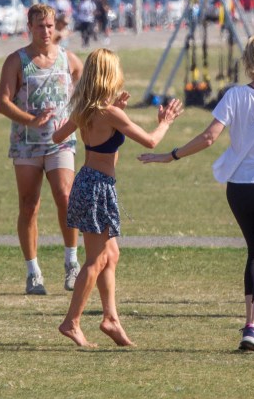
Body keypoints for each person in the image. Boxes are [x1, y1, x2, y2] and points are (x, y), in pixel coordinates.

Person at [139, 33, 254, 354]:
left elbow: (209, 138)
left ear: (249, 61)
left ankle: (249, 324)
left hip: (239, 186)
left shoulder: (234, 96)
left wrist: (171, 155)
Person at [52, 49, 183, 347]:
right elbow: (151, 140)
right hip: (97, 188)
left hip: (89, 182)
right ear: (110, 75)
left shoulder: (86, 108)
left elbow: (57, 137)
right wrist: (166, 121)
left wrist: (109, 117)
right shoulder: (108, 112)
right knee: (96, 260)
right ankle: (71, 322)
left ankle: (110, 319)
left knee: (111, 255)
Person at [0, 3, 84, 296]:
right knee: (29, 204)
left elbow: (89, 89)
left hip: (60, 141)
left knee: (66, 197)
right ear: (29, 28)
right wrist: (31, 120)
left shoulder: (68, 59)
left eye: (49, 26)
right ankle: (33, 271)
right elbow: (3, 102)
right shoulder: (17, 61)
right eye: (39, 26)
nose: (45, 31)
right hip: (26, 144)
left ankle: (72, 262)